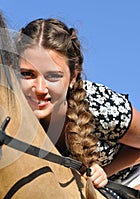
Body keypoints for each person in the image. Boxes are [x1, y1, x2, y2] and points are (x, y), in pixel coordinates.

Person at [15, 18, 140, 190]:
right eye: (28, 74)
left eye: (53, 76)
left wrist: (105, 172)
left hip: (129, 181)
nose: (40, 89)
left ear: (73, 76)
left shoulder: (103, 106)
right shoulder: (10, 111)